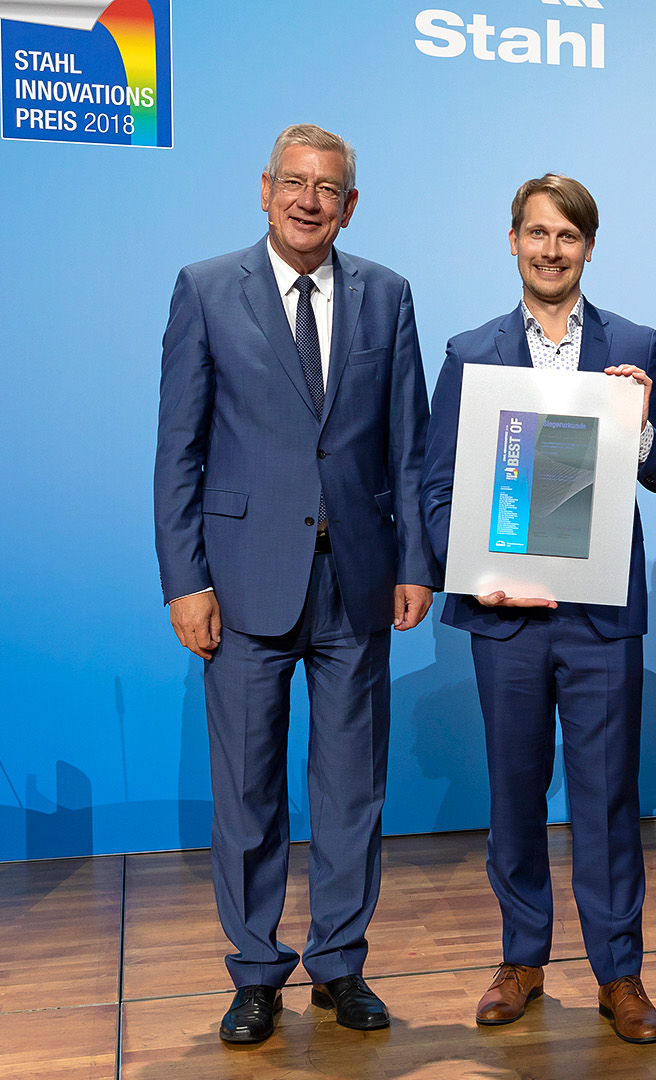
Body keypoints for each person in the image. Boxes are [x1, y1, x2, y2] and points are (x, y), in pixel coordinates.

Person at [154, 124, 436, 1043]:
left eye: (329, 189)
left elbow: (409, 445)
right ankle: (254, 972)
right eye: (295, 183)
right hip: (240, 585)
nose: (310, 201)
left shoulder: (387, 296)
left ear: (350, 204)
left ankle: (341, 966)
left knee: (353, 788)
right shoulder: (205, 289)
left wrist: (416, 563)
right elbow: (179, 454)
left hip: (357, 581)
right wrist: (185, 579)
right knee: (247, 790)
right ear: (265, 188)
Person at [421, 174, 656, 1043]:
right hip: (507, 614)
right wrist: (470, 574)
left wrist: (641, 421)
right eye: (536, 233)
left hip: (600, 611)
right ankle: (521, 959)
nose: (550, 249)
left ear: (588, 246)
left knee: (608, 798)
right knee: (514, 791)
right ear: (513, 241)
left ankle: (621, 974)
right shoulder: (471, 351)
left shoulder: (637, 343)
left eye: (567, 236)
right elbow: (437, 487)